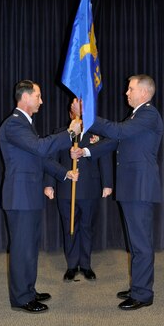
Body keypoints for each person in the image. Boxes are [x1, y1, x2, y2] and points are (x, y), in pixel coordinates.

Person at [71, 74, 163, 310]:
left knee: (141, 243)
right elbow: (115, 141)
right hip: (132, 188)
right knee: (135, 242)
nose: (126, 93)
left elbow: (119, 132)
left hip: (139, 188)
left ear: (144, 92)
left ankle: (143, 294)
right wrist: (88, 152)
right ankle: (137, 287)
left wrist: (88, 115)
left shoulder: (149, 114)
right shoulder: (137, 116)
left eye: (130, 89)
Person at [0, 80, 81, 313]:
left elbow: (41, 159)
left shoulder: (25, 126)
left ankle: (28, 290)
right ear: (25, 97)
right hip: (20, 197)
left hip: (28, 197)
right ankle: (21, 298)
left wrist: (64, 173)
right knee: (22, 248)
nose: (41, 101)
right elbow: (42, 148)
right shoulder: (14, 125)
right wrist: (69, 133)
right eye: (38, 96)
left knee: (30, 246)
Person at [44, 103, 113, 282]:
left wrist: (107, 184)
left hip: (90, 188)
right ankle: (72, 265)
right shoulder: (60, 134)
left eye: (83, 111)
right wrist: (49, 184)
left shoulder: (96, 133)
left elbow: (104, 158)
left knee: (87, 227)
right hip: (66, 189)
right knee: (70, 227)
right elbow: (51, 159)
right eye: (77, 111)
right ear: (70, 113)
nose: (80, 114)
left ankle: (86, 265)